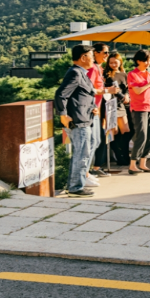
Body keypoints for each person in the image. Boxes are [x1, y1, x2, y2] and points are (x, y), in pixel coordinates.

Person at [54, 45, 99, 197]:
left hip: (86, 118)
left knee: (89, 148)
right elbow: (61, 94)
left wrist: (93, 107)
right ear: (83, 58)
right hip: (78, 121)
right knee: (81, 153)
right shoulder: (75, 73)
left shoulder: (82, 73)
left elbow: (82, 95)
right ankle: (75, 187)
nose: (93, 58)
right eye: (91, 55)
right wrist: (63, 114)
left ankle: (79, 182)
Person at [89, 43, 118, 180]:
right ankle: (91, 170)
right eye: (105, 52)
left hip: (99, 108)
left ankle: (95, 168)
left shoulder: (99, 68)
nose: (107, 55)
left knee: (99, 139)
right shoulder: (92, 69)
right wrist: (107, 90)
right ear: (95, 53)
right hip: (91, 110)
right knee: (96, 140)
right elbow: (88, 89)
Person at [103, 52, 131, 166]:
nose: (113, 64)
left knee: (126, 130)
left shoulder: (124, 74)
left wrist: (127, 96)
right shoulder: (106, 74)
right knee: (113, 131)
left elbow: (127, 88)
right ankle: (119, 156)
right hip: (110, 104)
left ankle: (124, 154)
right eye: (111, 62)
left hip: (121, 104)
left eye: (115, 62)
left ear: (120, 62)